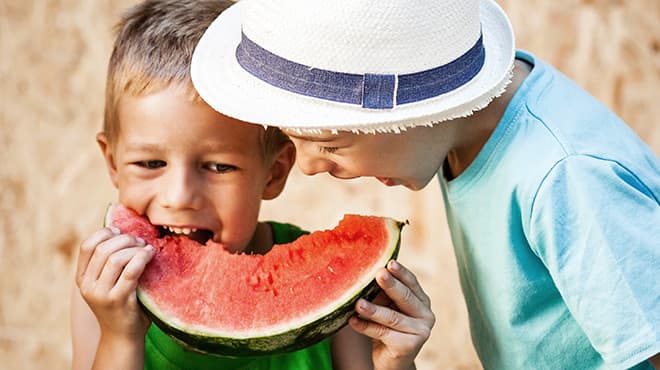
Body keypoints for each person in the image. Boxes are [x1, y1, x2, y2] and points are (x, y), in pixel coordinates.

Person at [189, 0, 660, 368]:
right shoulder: (462, 129)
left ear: (420, 113)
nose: (308, 167)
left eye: (328, 144)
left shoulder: (569, 179)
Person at [70, 1, 435, 369]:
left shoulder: (332, 290)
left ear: (274, 173)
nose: (179, 196)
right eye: (150, 163)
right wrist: (119, 336)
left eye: (217, 166)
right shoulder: (105, 287)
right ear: (112, 162)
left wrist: (396, 362)